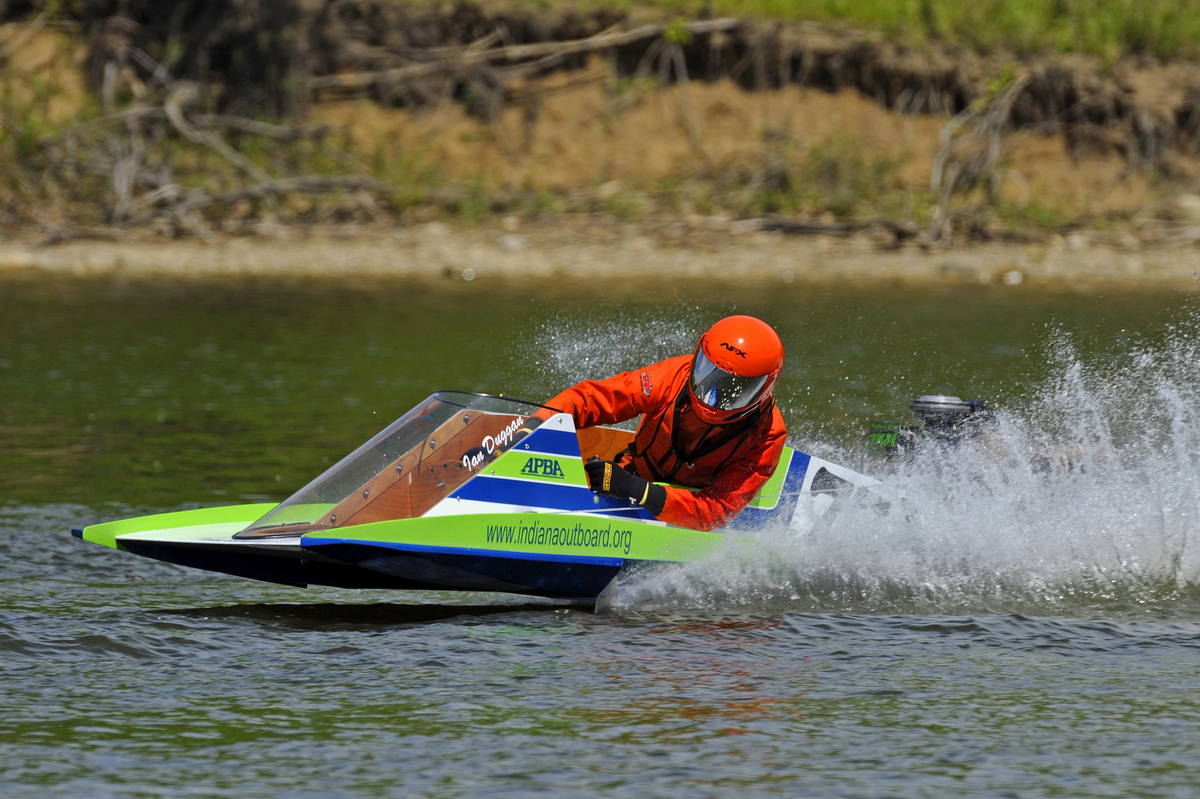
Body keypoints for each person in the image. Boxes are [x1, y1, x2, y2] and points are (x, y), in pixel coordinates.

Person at [543, 315, 787, 532]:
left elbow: (715, 511)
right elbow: (593, 399)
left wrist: (638, 490)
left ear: (765, 388)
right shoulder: (672, 377)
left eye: (733, 390)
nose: (710, 396)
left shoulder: (768, 436)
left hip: (689, 520)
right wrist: (537, 424)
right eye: (707, 375)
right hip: (632, 478)